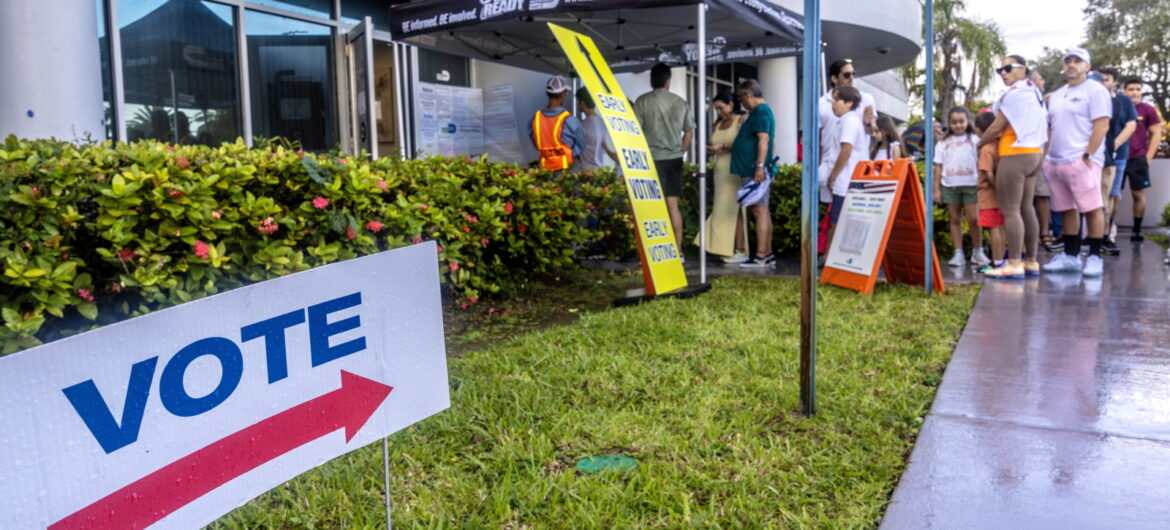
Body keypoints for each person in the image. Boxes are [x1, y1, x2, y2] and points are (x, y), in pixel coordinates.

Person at [1039, 48, 1112, 278]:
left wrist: (1088, 155)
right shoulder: (1058, 94)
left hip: (1083, 160)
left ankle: (1095, 257)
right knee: (1066, 208)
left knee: (1092, 207)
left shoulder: (1096, 91)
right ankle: (1070, 256)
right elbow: (1051, 127)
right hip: (1056, 161)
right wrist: (1046, 158)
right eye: (1068, 61)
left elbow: (1102, 125)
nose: (1071, 65)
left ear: (1087, 66)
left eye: (1077, 61)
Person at [977, 54, 1047, 279]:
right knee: (1027, 209)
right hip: (1034, 153)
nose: (1003, 73)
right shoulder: (1034, 91)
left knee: (1011, 211)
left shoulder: (1015, 93)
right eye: (1000, 70)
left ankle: (1014, 263)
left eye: (1008, 68)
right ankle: (1031, 261)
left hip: (1014, 153)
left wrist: (978, 144)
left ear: (1023, 68)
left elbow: (997, 127)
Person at [633, 63, 696, 254]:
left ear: (653, 80)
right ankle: (677, 252)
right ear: (668, 81)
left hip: (649, 160)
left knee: (650, 208)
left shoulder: (642, 101)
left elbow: (634, 131)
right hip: (673, 159)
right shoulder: (680, 102)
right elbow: (689, 131)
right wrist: (682, 150)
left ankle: (652, 254)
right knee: (673, 206)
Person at [934, 106, 989, 267]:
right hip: (950, 185)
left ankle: (978, 251)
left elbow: (981, 161)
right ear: (949, 124)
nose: (958, 125)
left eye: (961, 121)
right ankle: (958, 253)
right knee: (955, 219)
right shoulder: (943, 143)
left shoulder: (975, 140)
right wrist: (936, 190)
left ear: (967, 121)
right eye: (954, 122)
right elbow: (938, 166)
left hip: (971, 184)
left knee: (974, 219)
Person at [730, 79, 776, 268]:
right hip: (752, 168)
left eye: (741, 99)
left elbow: (763, 140)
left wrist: (759, 166)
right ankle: (767, 253)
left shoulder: (761, 113)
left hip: (754, 170)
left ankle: (761, 256)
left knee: (759, 211)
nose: (742, 103)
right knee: (762, 211)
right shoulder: (758, 113)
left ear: (748, 95)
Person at [699, 90, 748, 263]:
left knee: (735, 210)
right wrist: (713, 149)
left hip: (734, 169)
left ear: (731, 105)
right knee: (721, 208)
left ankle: (740, 249)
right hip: (720, 170)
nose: (719, 112)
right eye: (716, 109)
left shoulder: (741, 120)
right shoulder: (717, 124)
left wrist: (722, 146)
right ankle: (723, 247)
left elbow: (744, 145)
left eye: (721, 108)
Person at [821, 86, 869, 249]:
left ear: (849, 103)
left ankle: (830, 259)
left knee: (837, 223)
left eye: (836, 99)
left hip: (846, 181)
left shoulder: (850, 121)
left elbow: (846, 151)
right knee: (837, 222)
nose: (832, 103)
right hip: (846, 181)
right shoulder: (847, 120)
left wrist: (833, 176)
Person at [1097, 67, 1137, 255]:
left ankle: (1106, 235)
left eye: (1106, 79)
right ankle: (1088, 236)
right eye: (1100, 79)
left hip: (1117, 156)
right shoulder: (1093, 99)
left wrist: (1116, 143)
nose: (1103, 83)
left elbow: (1131, 124)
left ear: (1114, 82)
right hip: (1094, 155)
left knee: (1112, 195)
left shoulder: (1124, 101)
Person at [1122, 77, 1163, 242]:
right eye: (1131, 89)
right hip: (1118, 158)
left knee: (1138, 195)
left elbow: (1156, 133)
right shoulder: (1118, 107)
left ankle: (1136, 230)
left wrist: (1149, 156)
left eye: (1138, 89)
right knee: (1112, 196)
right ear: (1124, 91)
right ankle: (1105, 233)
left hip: (1138, 158)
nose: (1135, 92)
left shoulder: (1147, 109)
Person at [819, 59, 876, 173]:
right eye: (846, 75)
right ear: (834, 78)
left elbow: (873, 132)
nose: (851, 78)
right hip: (829, 164)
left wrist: (867, 123)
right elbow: (819, 137)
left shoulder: (866, 99)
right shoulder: (821, 103)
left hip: (858, 167)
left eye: (853, 74)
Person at [528, 76, 584, 172]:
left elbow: (536, 143)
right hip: (566, 170)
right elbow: (580, 145)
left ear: (547, 93)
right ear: (562, 94)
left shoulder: (535, 118)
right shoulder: (569, 119)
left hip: (545, 171)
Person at [975, 111, 1006, 272]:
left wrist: (996, 187)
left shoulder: (986, 149)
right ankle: (1001, 260)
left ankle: (996, 261)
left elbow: (987, 173)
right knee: (1000, 226)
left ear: (979, 130)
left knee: (993, 227)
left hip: (988, 193)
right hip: (1001, 195)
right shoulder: (1000, 145)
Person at [575, 87, 618, 172]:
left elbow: (576, 151)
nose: (577, 104)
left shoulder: (582, 125)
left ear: (583, 103)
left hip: (586, 172)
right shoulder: (603, 122)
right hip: (600, 171)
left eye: (578, 101)